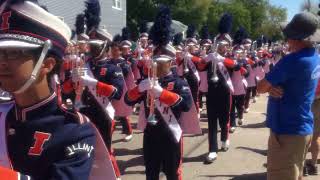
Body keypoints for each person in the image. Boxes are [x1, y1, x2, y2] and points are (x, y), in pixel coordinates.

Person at [0, 0, 98, 179]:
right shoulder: (4, 114)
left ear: (46, 64)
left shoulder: (74, 131)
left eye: (13, 52)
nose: (2, 62)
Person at [125, 6, 198, 180]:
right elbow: (128, 100)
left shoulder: (179, 82)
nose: (155, 64)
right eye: (154, 60)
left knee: (173, 174)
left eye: (160, 61)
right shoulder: (147, 80)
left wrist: (161, 93)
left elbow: (186, 105)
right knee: (151, 174)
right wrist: (138, 89)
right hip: (150, 134)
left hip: (170, 134)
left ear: (170, 62)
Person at [257, 12, 320, 180]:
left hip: (287, 132)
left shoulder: (292, 60)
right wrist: (272, 88)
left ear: (296, 38)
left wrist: (269, 88)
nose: (286, 40)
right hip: (302, 128)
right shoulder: (315, 57)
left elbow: (260, 87)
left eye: (288, 36)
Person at [304, 79, 320, 176]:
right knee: (316, 137)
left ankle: (302, 166)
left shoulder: (315, 64)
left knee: (305, 136)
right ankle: (313, 165)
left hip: (312, 100)